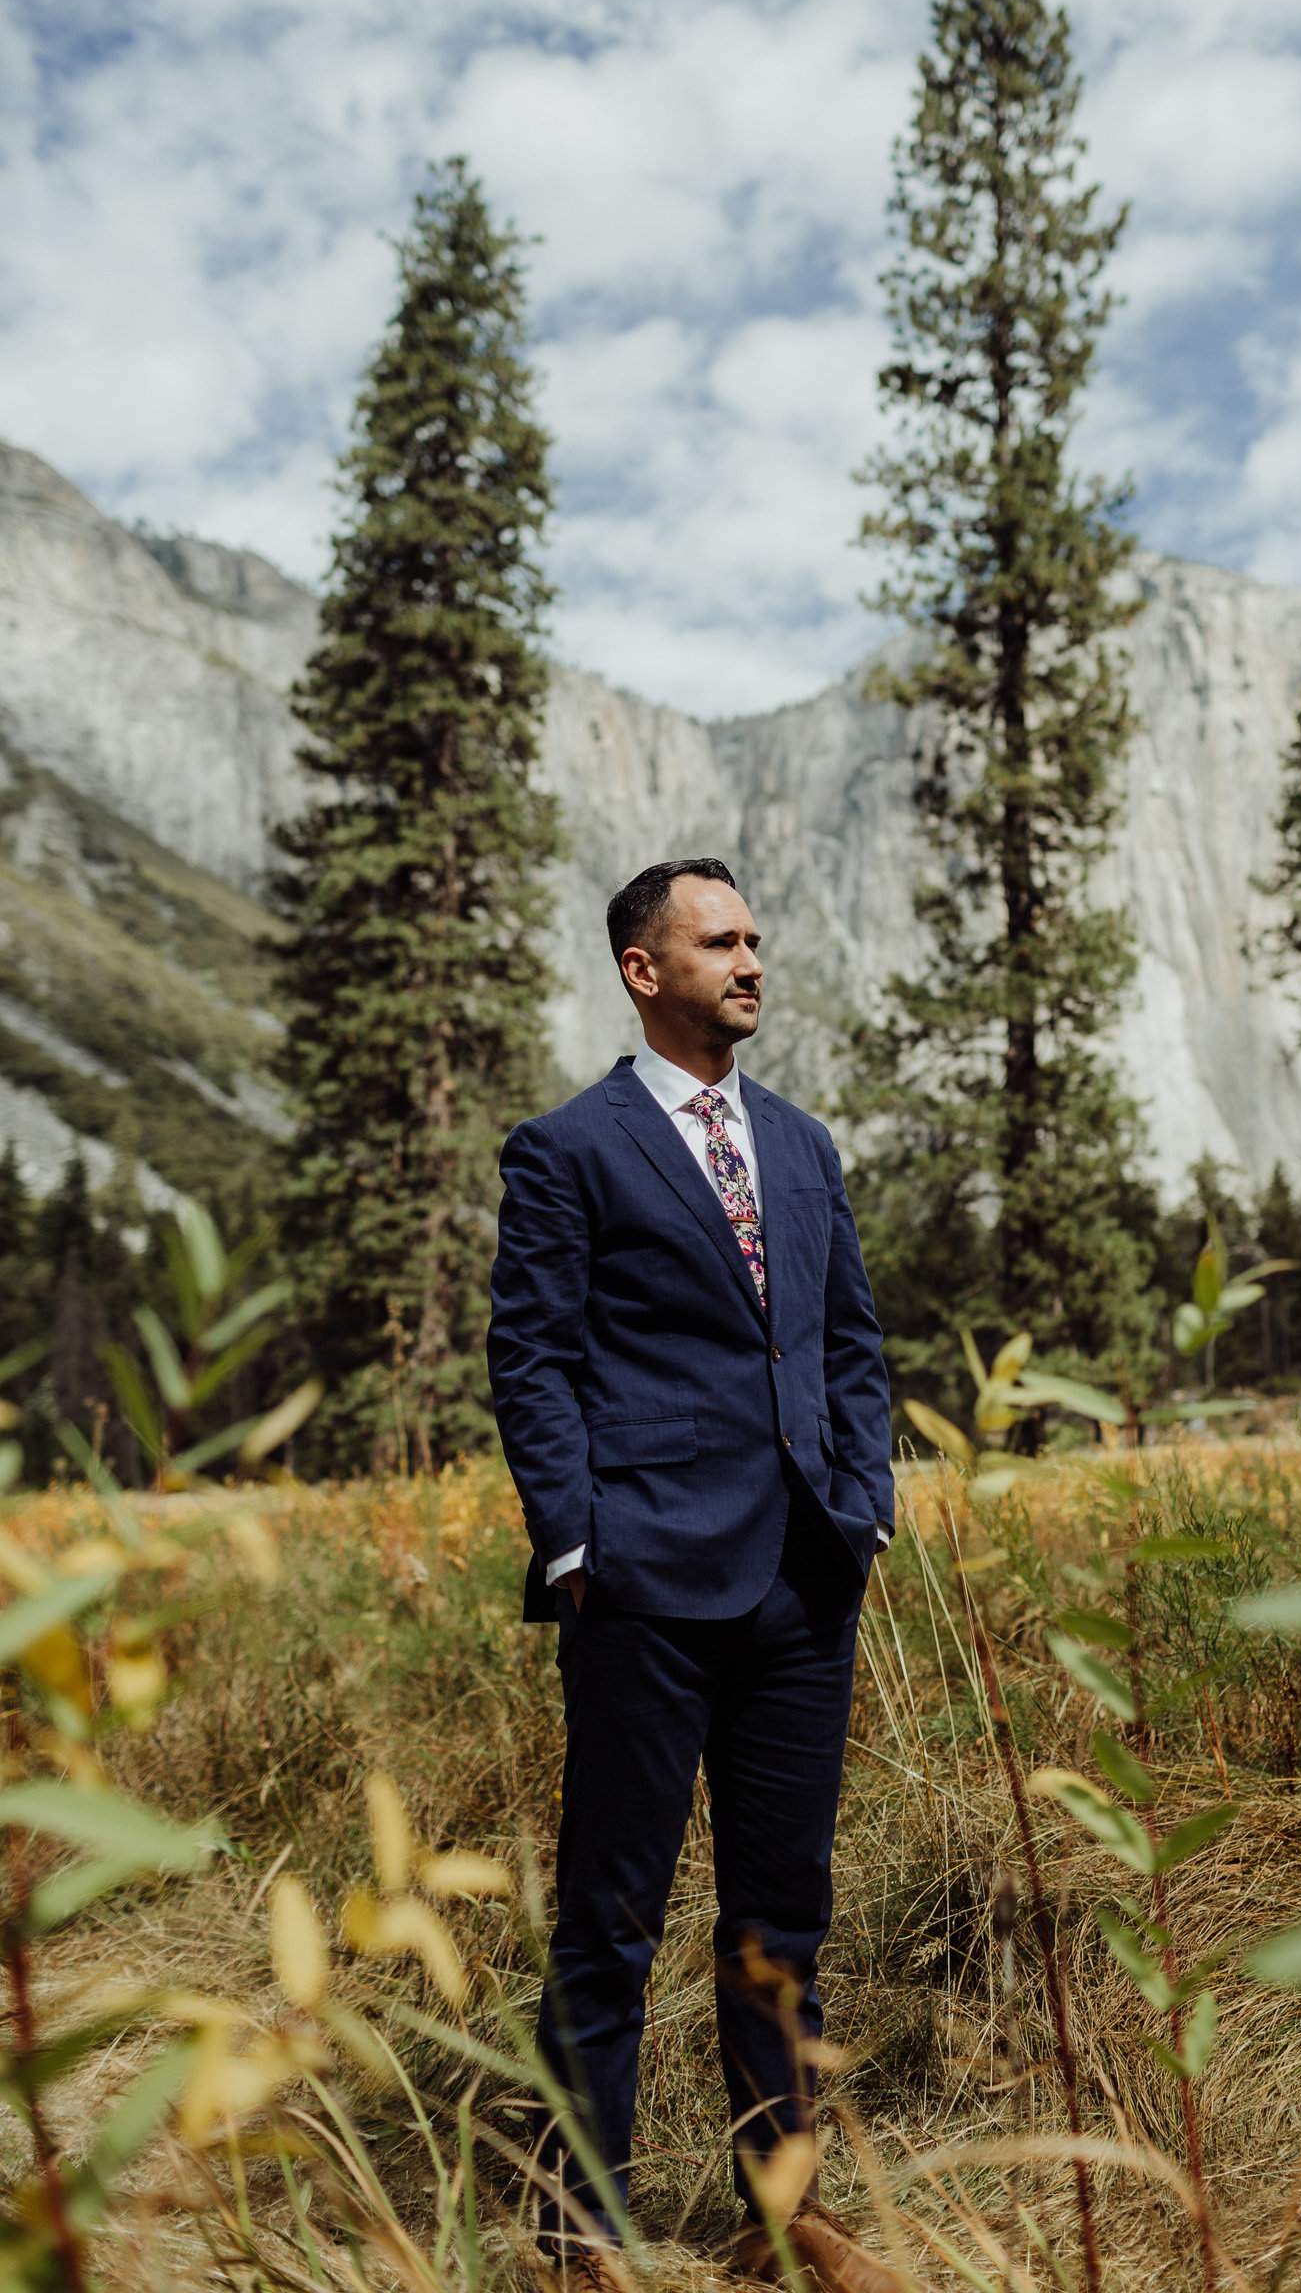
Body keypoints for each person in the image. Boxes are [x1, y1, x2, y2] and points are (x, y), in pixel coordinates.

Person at [487, 857, 897, 2292]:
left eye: (756, 937)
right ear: (642, 970)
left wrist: (870, 1498)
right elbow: (529, 1360)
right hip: (644, 1593)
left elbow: (848, 1337)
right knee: (609, 1923)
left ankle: (782, 2216)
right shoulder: (567, 1149)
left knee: (782, 1922)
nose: (752, 959)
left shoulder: (800, 1143)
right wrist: (578, 1545)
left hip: (805, 1582)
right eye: (719, 941)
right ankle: (577, 2235)